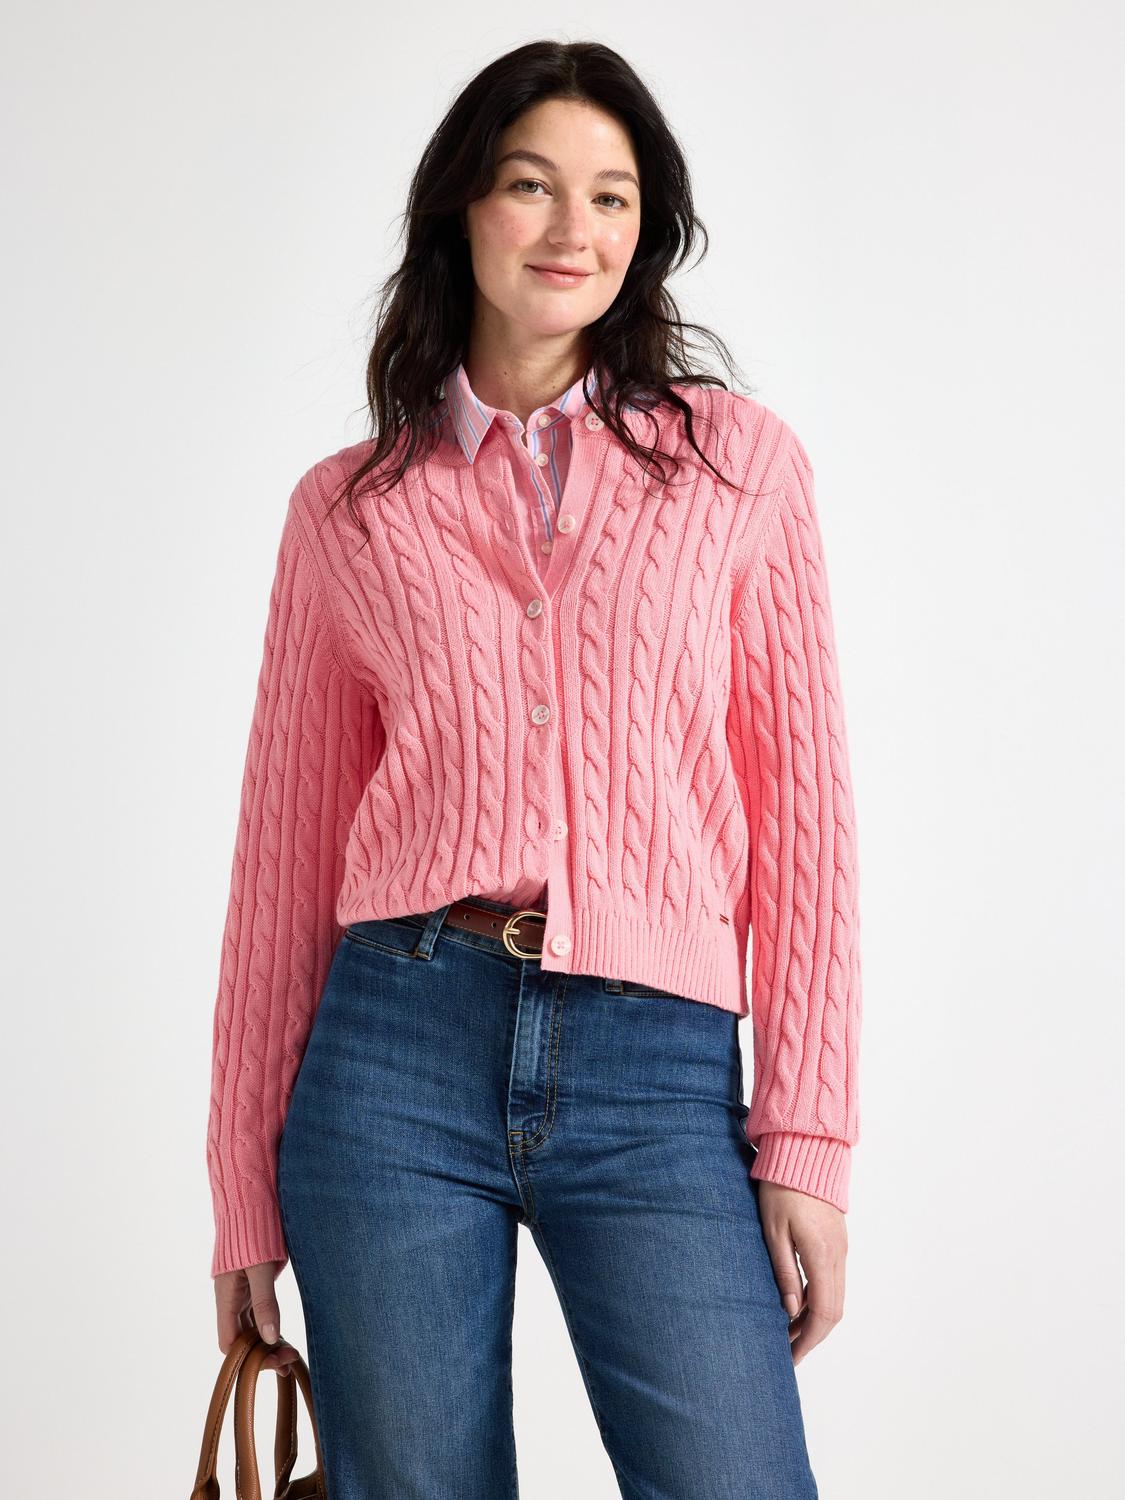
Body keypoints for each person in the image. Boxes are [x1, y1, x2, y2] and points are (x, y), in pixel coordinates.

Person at [206, 38, 862, 1500]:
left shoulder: (739, 471)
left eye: (612, 197)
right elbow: (282, 858)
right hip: (392, 1052)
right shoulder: (348, 511)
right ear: (461, 208)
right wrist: (240, 1184)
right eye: (530, 185)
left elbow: (807, 827)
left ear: (647, 227)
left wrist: (806, 1139)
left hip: (658, 1070)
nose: (574, 229)